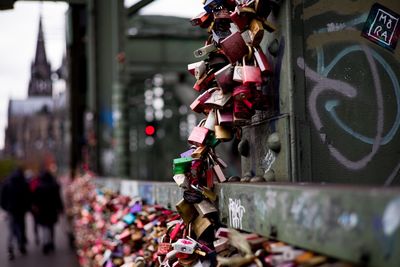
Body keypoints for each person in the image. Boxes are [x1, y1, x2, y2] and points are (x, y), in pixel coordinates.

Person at [0, 167, 31, 260]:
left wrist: (5, 207)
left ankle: (11, 246)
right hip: (21, 210)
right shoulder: (24, 183)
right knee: (21, 227)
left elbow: (2, 197)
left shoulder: (7, 183)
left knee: (12, 229)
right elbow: (28, 197)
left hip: (11, 210)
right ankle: (21, 245)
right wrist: (27, 208)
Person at [32, 166, 64, 254]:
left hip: (42, 211)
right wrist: (60, 208)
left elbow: (35, 199)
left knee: (45, 227)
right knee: (51, 227)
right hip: (52, 210)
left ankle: (46, 242)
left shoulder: (39, 187)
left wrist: (35, 207)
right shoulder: (54, 186)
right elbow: (58, 199)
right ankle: (51, 242)